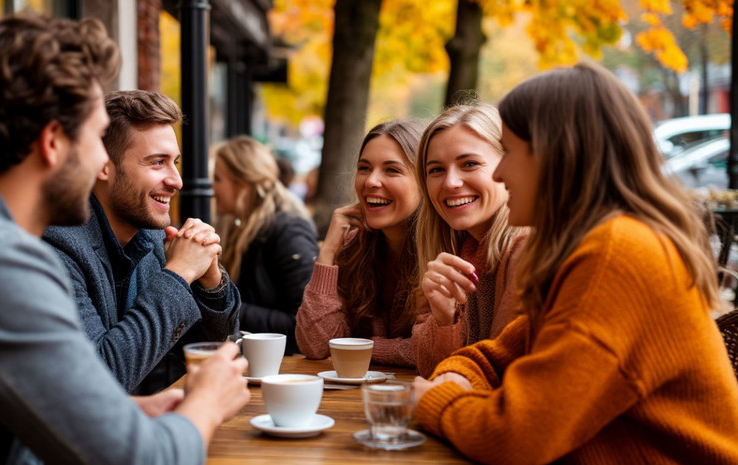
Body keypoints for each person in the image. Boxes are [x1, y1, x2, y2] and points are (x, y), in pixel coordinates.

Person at [0, 14, 249, 464]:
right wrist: (205, 403)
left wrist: (127, 412)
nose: (98, 161)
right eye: (94, 137)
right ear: (53, 143)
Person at [413, 62, 738, 463]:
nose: (500, 171)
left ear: (558, 156)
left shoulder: (619, 255)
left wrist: (438, 400)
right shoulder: (594, 248)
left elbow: (519, 436)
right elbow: (500, 354)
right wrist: (457, 376)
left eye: (511, 152)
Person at [43, 90, 239, 395]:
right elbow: (101, 380)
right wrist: (178, 275)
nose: (177, 180)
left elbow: (207, 346)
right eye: (157, 163)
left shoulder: (151, 235)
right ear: (103, 166)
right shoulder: (57, 247)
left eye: (175, 162)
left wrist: (209, 283)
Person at [295, 120, 427, 367]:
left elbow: (431, 350)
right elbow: (315, 345)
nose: (371, 182)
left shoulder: (446, 248)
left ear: (425, 181)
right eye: (364, 168)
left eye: (392, 170)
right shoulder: (354, 245)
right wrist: (328, 253)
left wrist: (358, 345)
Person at [410, 103, 527, 377]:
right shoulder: (462, 249)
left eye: (469, 164)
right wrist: (443, 320)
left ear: (507, 167)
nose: (450, 182)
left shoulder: (525, 246)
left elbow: (501, 373)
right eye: (436, 170)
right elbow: (432, 370)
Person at [211, 136, 317, 354]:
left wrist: (222, 305)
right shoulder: (243, 226)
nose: (211, 188)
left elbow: (300, 324)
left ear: (242, 183)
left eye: (217, 179)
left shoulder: (288, 231)